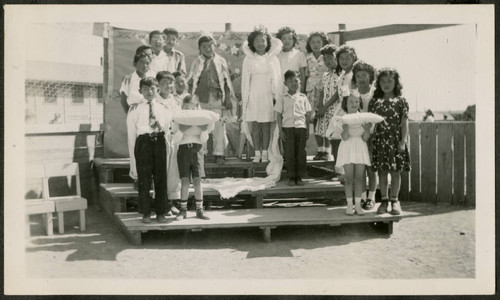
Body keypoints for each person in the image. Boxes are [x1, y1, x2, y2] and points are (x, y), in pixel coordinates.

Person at [126, 77, 172, 223]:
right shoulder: (135, 109)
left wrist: (161, 127)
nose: (149, 92)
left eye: (152, 88)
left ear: (157, 90)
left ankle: (161, 212)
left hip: (159, 142)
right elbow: (131, 135)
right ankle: (146, 213)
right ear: (140, 91)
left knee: (160, 179)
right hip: (143, 143)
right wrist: (133, 162)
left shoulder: (163, 108)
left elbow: (168, 130)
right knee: (144, 180)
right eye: (145, 89)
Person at [187, 33, 235, 165]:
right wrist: (191, 98)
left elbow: (226, 82)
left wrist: (228, 99)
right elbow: (192, 80)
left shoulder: (221, 61)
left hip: (217, 98)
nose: (208, 49)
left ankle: (218, 154)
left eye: (210, 46)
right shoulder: (197, 62)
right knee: (201, 126)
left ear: (215, 46)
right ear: (199, 48)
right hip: (201, 98)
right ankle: (201, 154)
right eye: (204, 46)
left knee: (219, 127)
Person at [368, 67, 411, 215]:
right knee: (382, 171)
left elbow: (404, 123)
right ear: (378, 83)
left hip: (395, 141)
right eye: (383, 81)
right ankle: (384, 201)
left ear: (396, 82)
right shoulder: (374, 102)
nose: (386, 84)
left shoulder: (401, 101)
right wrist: (371, 141)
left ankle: (395, 201)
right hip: (380, 140)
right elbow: (371, 124)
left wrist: (403, 141)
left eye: (390, 81)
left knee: (395, 171)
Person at [241, 26, 283, 163]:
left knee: (266, 126)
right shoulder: (248, 59)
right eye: (257, 40)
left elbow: (277, 80)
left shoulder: (273, 59)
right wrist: (246, 98)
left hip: (267, 95)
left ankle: (265, 154)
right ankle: (257, 153)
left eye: (263, 40)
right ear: (252, 43)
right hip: (253, 94)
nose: (260, 43)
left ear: (268, 43)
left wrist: (276, 97)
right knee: (255, 126)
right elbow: (245, 80)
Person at [172, 95, 214, 220]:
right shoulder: (178, 120)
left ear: (197, 108)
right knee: (185, 180)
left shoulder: (201, 120)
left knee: (197, 180)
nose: (189, 111)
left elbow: (203, 139)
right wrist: (181, 130)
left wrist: (203, 130)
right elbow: (175, 140)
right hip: (184, 150)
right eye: (186, 108)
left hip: (197, 150)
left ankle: (199, 210)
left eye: (192, 108)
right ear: (182, 108)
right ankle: (183, 210)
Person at [336, 95, 372, 216]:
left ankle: (358, 205)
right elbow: (345, 137)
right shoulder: (342, 118)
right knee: (349, 178)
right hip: (348, 147)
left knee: (359, 178)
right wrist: (345, 129)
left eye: (357, 101)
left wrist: (367, 130)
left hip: (360, 147)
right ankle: (349, 205)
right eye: (351, 101)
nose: (354, 104)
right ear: (345, 104)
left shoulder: (364, 118)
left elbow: (365, 138)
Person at [275, 70, 311, 186]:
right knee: (289, 153)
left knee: (301, 153)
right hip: (287, 128)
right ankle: (291, 177)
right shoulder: (282, 98)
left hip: (301, 128)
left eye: (296, 80)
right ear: (285, 84)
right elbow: (278, 115)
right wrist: (280, 131)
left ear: (299, 82)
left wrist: (308, 130)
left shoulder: (303, 97)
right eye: (290, 81)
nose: (293, 83)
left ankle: (299, 177)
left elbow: (308, 114)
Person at [351, 60, 378, 210]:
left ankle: (371, 197)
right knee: (359, 169)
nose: (361, 78)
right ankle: (361, 198)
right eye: (358, 75)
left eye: (364, 75)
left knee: (371, 168)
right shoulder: (353, 94)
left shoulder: (374, 94)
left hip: (372, 135)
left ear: (370, 77)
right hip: (357, 136)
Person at [313, 44, 338, 162]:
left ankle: (329, 153)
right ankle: (321, 151)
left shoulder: (340, 74)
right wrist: (319, 106)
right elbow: (322, 91)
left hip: (334, 108)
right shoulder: (326, 75)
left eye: (330, 57)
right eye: (325, 58)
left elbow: (337, 94)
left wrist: (325, 107)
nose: (328, 61)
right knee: (319, 127)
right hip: (323, 107)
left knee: (331, 131)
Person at [305, 32, 330, 133]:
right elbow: (305, 74)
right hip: (310, 91)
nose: (315, 45)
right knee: (310, 115)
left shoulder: (327, 57)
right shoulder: (307, 58)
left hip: (323, 90)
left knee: (322, 115)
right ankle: (312, 142)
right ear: (309, 44)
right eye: (313, 42)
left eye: (319, 42)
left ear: (324, 43)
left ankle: (323, 145)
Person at [276, 26, 307, 93]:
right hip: (280, 88)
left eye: (290, 38)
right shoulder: (277, 55)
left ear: (294, 40)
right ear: (279, 40)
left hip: (294, 88)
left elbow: (303, 75)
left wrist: (302, 89)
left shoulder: (299, 55)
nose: (287, 41)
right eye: (284, 39)